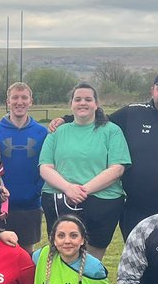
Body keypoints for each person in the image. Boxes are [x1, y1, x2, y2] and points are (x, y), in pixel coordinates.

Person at [55, 68, 158, 239]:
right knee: (138, 261)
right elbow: (98, 120)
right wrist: (67, 119)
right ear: (152, 90)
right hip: (137, 208)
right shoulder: (133, 113)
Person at [38, 82, 130, 259]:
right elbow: (45, 167)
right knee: (62, 256)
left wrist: (83, 190)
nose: (83, 103)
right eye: (78, 99)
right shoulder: (57, 132)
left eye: (88, 99)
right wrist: (68, 188)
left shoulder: (112, 131)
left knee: (91, 262)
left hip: (102, 203)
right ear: (71, 104)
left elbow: (117, 168)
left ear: (96, 104)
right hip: (60, 200)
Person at [0, 82, 48, 251]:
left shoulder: (42, 133)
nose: (19, 102)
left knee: (25, 254)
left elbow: (48, 167)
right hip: (1, 205)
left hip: (30, 204)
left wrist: (36, 191)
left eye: (24, 97)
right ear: (8, 101)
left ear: (31, 101)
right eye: (15, 97)